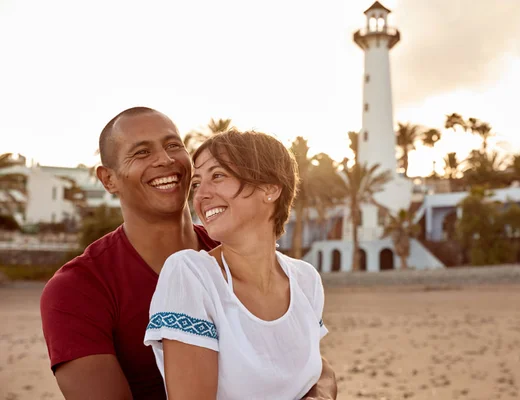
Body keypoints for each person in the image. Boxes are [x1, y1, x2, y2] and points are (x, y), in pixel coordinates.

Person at [40, 107, 337, 399]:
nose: (165, 160)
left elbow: (305, 361)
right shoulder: (76, 289)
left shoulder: (240, 251)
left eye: (173, 145)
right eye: (142, 152)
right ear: (108, 179)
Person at [144, 129, 329, 399]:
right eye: (196, 183)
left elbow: (319, 372)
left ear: (270, 188)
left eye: (217, 176)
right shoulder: (191, 274)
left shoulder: (305, 280)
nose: (201, 195)